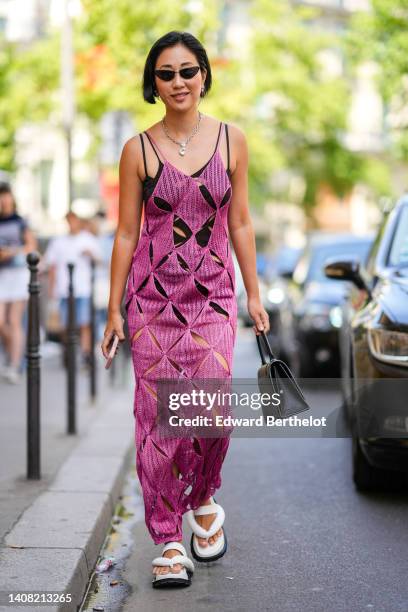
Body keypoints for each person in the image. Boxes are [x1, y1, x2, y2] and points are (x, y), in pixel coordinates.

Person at [101, 31, 270, 588]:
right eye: (166, 73)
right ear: (154, 82)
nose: (178, 82)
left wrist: (255, 291)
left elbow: (240, 222)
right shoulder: (138, 150)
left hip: (214, 298)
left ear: (204, 76)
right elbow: (126, 233)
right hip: (151, 301)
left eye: (188, 71)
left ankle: (203, 498)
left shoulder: (231, 141)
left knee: (211, 410)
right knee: (157, 424)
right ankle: (170, 539)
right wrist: (113, 311)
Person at [43, 211, 102, 367]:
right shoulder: (58, 241)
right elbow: (52, 266)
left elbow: (100, 260)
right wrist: (52, 288)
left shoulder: (88, 239)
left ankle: (85, 355)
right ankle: (67, 352)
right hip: (64, 289)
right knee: (65, 324)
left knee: (84, 323)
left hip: (83, 289)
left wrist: (91, 255)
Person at [0, 182, 37, 384]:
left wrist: (11, 252)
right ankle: (15, 353)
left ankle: (14, 365)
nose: (3, 200)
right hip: (2, 274)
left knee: (14, 321)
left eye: (5, 195)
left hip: (18, 273)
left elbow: (31, 246)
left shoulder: (20, 222)